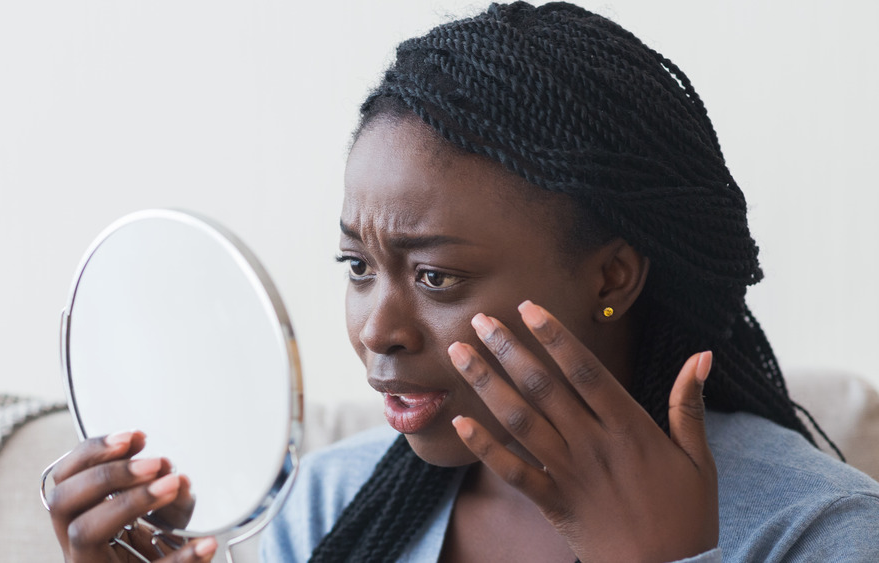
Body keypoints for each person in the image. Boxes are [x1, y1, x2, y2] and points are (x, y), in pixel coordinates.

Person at [47, 2, 879, 562]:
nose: (378, 328)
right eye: (359, 268)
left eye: (437, 275)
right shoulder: (329, 504)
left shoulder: (818, 529)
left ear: (612, 275)